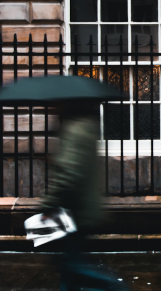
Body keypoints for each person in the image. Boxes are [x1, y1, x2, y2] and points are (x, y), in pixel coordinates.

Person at [39, 103, 128, 291]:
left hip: (76, 210)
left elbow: (68, 174)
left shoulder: (75, 129)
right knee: (68, 264)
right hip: (80, 207)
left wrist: (48, 204)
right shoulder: (82, 125)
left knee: (72, 264)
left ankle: (115, 288)